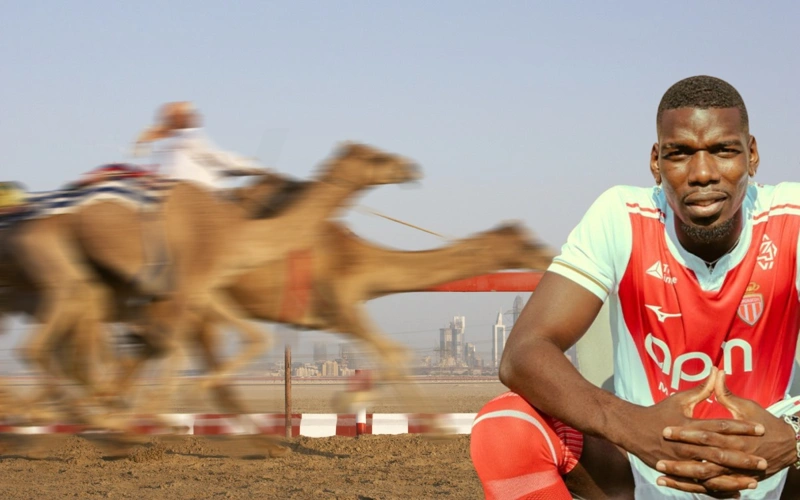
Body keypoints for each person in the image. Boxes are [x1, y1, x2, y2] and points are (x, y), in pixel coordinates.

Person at [471, 75, 800, 499]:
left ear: (751, 155)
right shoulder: (621, 215)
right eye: (680, 153)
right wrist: (634, 427)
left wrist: (792, 436)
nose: (702, 173)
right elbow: (523, 354)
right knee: (505, 427)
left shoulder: (791, 217)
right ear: (655, 162)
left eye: (723, 150)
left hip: (771, 469)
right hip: (644, 470)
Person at [133, 101, 268, 190]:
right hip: (199, 194)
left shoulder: (165, 141)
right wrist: (254, 167)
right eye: (191, 113)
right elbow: (218, 158)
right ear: (180, 118)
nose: (196, 115)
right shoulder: (188, 138)